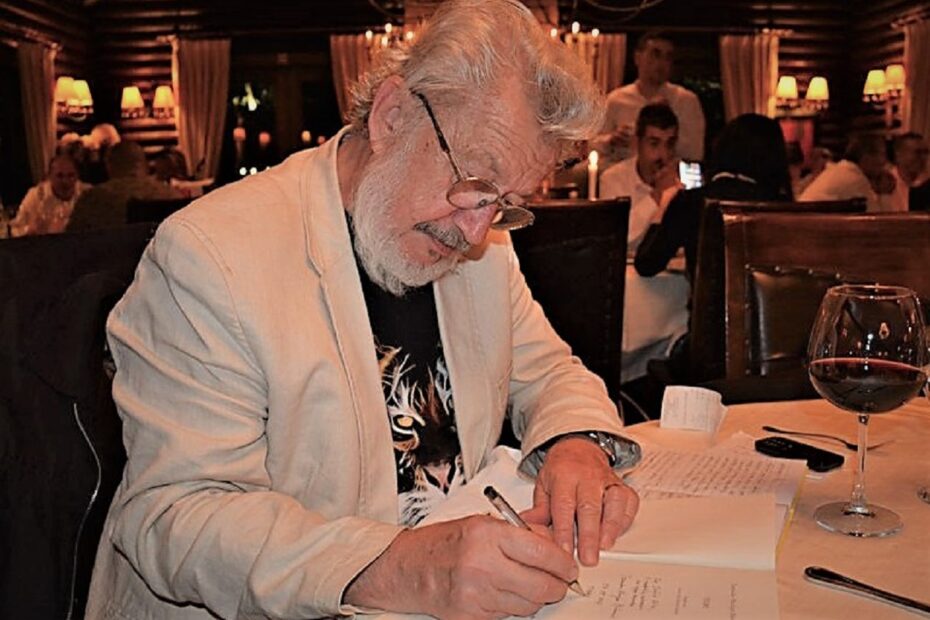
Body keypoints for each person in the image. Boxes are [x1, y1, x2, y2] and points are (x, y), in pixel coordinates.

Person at [85, 2, 641, 619]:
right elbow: (175, 515)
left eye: (506, 203)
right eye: (476, 185)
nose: (477, 231)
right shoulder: (211, 255)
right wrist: (403, 568)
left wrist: (574, 443)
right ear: (393, 116)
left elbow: (551, 371)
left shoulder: (483, 246)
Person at [635, 113, 793, 282]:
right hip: (770, 299)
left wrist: (662, 208)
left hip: (709, 299)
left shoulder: (691, 201)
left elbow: (646, 264)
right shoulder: (780, 206)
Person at [590, 31, 705, 167]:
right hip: (623, 174)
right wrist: (612, 140)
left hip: (669, 173)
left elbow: (695, 152)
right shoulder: (616, 100)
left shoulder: (686, 101)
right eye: (655, 54)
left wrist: (667, 134)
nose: (661, 62)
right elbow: (592, 145)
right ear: (637, 58)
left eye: (668, 57)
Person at [599, 102, 681, 252]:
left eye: (669, 144)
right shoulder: (613, 179)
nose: (663, 155)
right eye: (654, 144)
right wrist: (657, 195)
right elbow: (618, 237)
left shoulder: (683, 179)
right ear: (637, 143)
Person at [67, 140, 184, 231]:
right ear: (144, 165)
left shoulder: (92, 199)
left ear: (109, 166)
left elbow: (72, 240)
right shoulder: (172, 195)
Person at [799, 133, 892, 211]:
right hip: (810, 225)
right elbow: (878, 219)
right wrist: (884, 193)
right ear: (866, 156)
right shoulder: (854, 178)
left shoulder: (841, 170)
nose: (884, 161)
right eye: (882, 154)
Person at [8, 154, 90, 237]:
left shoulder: (88, 193)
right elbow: (15, 229)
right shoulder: (36, 196)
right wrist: (30, 230)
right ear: (49, 176)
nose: (65, 181)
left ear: (77, 176)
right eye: (60, 176)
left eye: (71, 175)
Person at [885, 132, 929, 212]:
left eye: (926, 152)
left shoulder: (925, 186)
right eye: (918, 152)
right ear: (899, 155)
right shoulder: (884, 183)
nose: (923, 158)